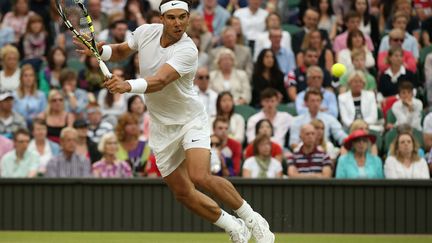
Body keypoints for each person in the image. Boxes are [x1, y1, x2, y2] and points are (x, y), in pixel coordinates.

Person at [76, 1, 275, 241]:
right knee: (183, 193)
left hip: (191, 120)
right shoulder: (145, 32)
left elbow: (160, 81)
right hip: (161, 127)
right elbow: (120, 51)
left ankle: (254, 220)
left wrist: (127, 85)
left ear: (189, 18)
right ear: (162, 19)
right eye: (171, 17)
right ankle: (233, 225)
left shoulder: (188, 50)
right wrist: (100, 50)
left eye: (183, 17)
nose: (178, 23)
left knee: (200, 175)